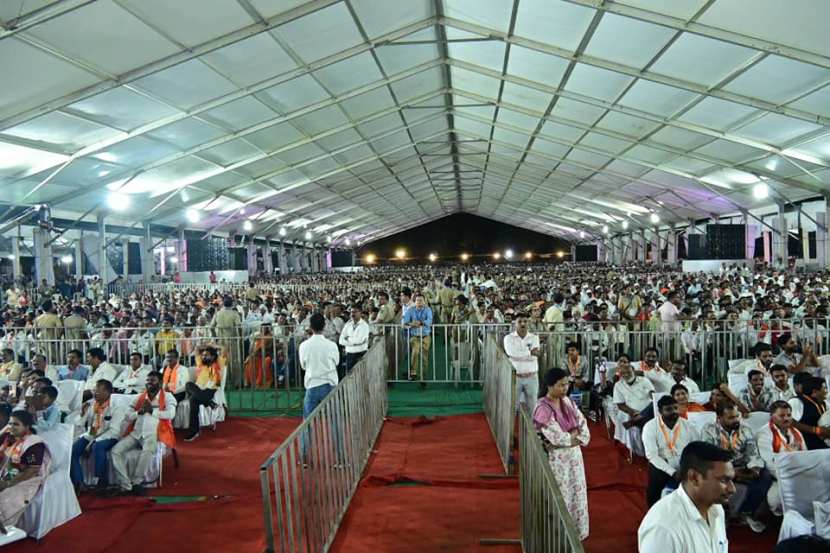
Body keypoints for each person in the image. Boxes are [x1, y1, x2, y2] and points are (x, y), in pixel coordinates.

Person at [638, 441, 735, 553]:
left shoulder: (716, 508)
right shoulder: (663, 529)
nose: (732, 489)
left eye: (731, 480)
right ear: (694, 478)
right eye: (724, 480)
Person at [533, 368, 590, 540]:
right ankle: (557, 535)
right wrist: (574, 436)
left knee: (577, 494)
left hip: (574, 456)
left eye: (567, 384)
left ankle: (576, 534)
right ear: (549, 386)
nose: (565, 388)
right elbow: (557, 437)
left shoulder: (568, 402)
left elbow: (583, 425)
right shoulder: (542, 407)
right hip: (556, 459)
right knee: (561, 495)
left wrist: (575, 437)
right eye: (561, 385)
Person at [700, 399, 770, 532]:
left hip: (742, 466)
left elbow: (752, 452)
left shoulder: (746, 429)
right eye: (731, 417)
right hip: (719, 466)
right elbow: (709, 457)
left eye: (737, 416)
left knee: (765, 475)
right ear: (719, 417)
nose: (736, 420)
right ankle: (724, 514)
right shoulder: (709, 430)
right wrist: (733, 471)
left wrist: (755, 468)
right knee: (716, 474)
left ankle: (745, 512)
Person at [111, 371, 176, 495]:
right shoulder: (139, 397)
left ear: (161, 383)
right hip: (136, 433)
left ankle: (137, 482)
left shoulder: (167, 397)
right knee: (115, 451)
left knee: (147, 451)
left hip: (154, 434)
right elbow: (128, 416)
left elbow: (171, 414)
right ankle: (126, 485)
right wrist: (138, 412)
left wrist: (152, 411)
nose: (149, 383)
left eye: (153, 380)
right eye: (148, 380)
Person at [642, 395, 700, 506]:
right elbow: (652, 456)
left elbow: (696, 448)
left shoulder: (688, 426)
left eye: (675, 408)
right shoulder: (650, 427)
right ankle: (653, 511)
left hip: (684, 463)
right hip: (663, 465)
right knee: (655, 476)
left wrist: (688, 466)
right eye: (668, 409)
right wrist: (672, 472)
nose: (673, 412)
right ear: (660, 411)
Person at [71, 379, 125, 492]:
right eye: (95, 391)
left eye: (98, 392)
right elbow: (80, 424)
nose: (95, 394)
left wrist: (93, 442)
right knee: (73, 450)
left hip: (110, 436)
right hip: (91, 433)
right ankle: (78, 482)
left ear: (107, 392)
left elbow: (114, 430)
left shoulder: (117, 407)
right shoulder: (92, 405)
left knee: (98, 446)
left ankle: (102, 481)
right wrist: (82, 414)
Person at [0, 410, 51, 531]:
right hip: (5, 472)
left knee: (5, 496)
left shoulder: (33, 443)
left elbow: (32, 470)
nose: (11, 427)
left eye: (16, 424)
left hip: (26, 478)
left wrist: (8, 484)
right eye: (10, 423)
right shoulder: (9, 438)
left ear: (27, 426)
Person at [298, 312, 339, 459]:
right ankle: (339, 457)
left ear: (310, 327)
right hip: (329, 384)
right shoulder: (331, 345)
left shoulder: (304, 346)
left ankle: (303, 456)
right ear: (324, 326)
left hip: (312, 385)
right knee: (335, 422)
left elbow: (303, 366)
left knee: (307, 422)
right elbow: (337, 362)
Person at [756, 400, 806, 515]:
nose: (786, 419)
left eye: (789, 415)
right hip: (778, 477)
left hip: (798, 473)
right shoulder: (764, 434)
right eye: (782, 416)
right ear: (772, 416)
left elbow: (805, 455)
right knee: (775, 500)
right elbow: (770, 464)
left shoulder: (796, 432)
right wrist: (790, 473)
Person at [183, 346, 223, 442]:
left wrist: (213, 345)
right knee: (188, 384)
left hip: (210, 390)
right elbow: (197, 349)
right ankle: (209, 403)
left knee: (193, 400)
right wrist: (205, 346)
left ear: (213, 357)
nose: (204, 357)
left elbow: (224, 349)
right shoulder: (201, 364)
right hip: (198, 388)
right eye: (203, 355)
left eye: (207, 355)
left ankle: (194, 431)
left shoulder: (218, 364)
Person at [503, 313, 541, 414]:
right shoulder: (508, 338)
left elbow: (535, 355)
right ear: (515, 323)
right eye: (520, 321)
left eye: (525, 321)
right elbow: (511, 353)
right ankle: (509, 429)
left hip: (532, 376)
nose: (523, 324)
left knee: (533, 405)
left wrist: (520, 355)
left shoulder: (534, 337)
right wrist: (529, 353)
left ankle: (533, 429)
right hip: (515, 377)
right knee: (512, 405)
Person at [789, 376, 829, 450]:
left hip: (821, 442)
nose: (827, 391)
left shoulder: (824, 403)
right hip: (805, 443)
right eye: (824, 388)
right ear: (814, 392)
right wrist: (815, 430)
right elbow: (790, 421)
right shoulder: (796, 402)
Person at [613, 359, 655, 429]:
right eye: (623, 373)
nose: (626, 375)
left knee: (653, 404)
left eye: (628, 372)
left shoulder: (644, 380)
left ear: (634, 372)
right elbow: (620, 405)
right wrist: (632, 412)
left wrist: (653, 396)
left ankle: (635, 421)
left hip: (649, 409)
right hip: (634, 412)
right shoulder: (618, 385)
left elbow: (653, 395)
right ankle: (638, 418)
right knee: (645, 421)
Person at [402, 293, 432, 382]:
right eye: (417, 300)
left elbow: (429, 320)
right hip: (414, 336)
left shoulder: (428, 310)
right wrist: (412, 324)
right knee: (415, 351)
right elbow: (405, 322)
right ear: (414, 301)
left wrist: (420, 323)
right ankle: (414, 372)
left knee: (425, 357)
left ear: (424, 301)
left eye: (421, 300)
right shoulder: (410, 310)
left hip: (426, 336)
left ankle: (423, 377)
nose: (419, 302)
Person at [339, 306, 370, 376]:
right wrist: (354, 342)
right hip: (349, 354)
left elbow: (360, 340)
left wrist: (348, 339)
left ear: (361, 313)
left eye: (355, 312)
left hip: (361, 354)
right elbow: (340, 340)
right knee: (350, 377)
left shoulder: (364, 325)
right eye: (351, 312)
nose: (353, 314)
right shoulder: (348, 325)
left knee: (361, 376)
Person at [244, 324, 274, 389]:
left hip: (266, 355)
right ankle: (249, 383)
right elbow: (253, 349)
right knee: (248, 363)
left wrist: (251, 356)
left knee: (263, 362)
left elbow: (260, 349)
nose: (263, 329)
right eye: (262, 328)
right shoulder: (258, 336)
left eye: (265, 328)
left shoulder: (269, 336)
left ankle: (258, 383)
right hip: (257, 356)